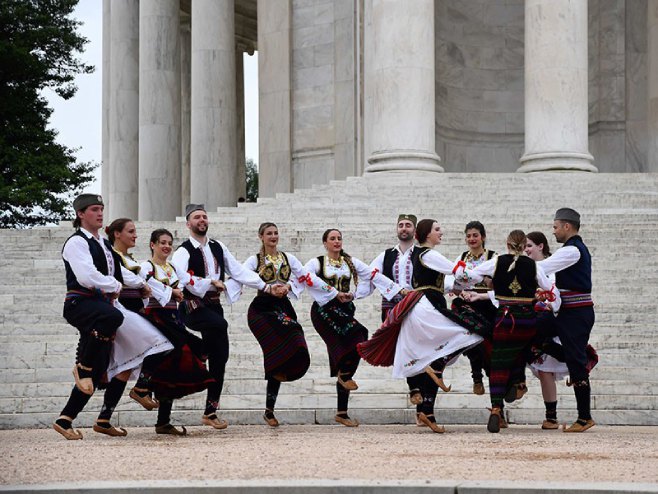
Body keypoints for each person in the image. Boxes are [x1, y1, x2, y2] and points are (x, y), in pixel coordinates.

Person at [54, 195, 172, 440]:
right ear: (80, 214)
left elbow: (119, 273)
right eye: (94, 209)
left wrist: (142, 284)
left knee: (157, 343)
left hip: (106, 309)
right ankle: (83, 368)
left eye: (102, 209)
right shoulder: (76, 243)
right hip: (82, 303)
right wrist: (113, 285)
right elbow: (87, 276)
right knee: (105, 337)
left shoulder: (105, 245)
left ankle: (68, 419)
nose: (100, 213)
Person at [359, 219, 490, 433]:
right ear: (427, 234)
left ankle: (427, 411)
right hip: (428, 308)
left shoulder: (420, 255)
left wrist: (464, 286)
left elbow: (452, 281)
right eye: (437, 229)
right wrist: (487, 275)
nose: (441, 233)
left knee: (432, 359)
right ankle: (437, 368)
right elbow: (458, 272)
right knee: (474, 331)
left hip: (422, 306)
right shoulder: (429, 254)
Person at [171, 204, 271, 430]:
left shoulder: (217, 246)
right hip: (192, 306)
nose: (202, 220)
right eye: (197, 217)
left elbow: (238, 271)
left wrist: (264, 286)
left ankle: (210, 411)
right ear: (188, 224)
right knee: (219, 324)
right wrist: (209, 283)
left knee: (221, 358)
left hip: (213, 306)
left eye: (204, 217)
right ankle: (199, 351)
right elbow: (181, 277)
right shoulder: (183, 250)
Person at [226, 222, 324, 427]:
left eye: (276, 233)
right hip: (262, 309)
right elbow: (241, 275)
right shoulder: (255, 260)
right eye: (269, 233)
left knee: (294, 335)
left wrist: (288, 286)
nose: (273, 236)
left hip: (283, 306)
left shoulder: (288, 258)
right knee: (282, 341)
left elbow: (303, 275)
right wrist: (227, 288)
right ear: (260, 236)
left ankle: (269, 408)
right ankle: (272, 393)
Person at [458, 230, 554, 433]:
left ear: (507, 243)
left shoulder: (496, 262)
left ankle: (495, 408)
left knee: (498, 363)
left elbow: (470, 276)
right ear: (522, 245)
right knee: (523, 348)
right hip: (527, 320)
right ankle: (518, 382)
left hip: (505, 319)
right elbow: (548, 288)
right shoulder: (533, 265)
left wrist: (470, 279)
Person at [305, 228, 402, 427]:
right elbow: (306, 276)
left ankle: (342, 411)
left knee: (348, 354)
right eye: (332, 239)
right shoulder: (317, 262)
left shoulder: (351, 262)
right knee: (360, 333)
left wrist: (397, 290)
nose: (336, 241)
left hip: (345, 310)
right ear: (325, 243)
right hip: (325, 310)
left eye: (339, 238)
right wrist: (332, 292)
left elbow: (373, 276)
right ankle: (345, 376)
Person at [140, 228, 215, 435]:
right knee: (175, 351)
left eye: (169, 243)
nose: (166, 246)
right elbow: (145, 282)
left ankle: (163, 421)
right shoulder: (147, 266)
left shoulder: (172, 267)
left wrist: (211, 283)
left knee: (176, 363)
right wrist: (170, 291)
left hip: (173, 318)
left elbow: (191, 281)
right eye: (162, 242)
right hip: (156, 316)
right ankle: (141, 386)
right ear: (152, 245)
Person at [536, 208, 597, 432]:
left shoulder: (572, 250)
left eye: (555, 227)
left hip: (577, 314)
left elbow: (543, 267)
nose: (553, 232)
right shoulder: (569, 249)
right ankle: (578, 359)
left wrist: (512, 268)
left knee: (575, 360)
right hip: (564, 312)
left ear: (567, 227)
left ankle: (584, 417)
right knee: (533, 331)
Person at [445, 221, 497, 396]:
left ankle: (497, 404)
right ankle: (476, 377)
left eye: (475, 235)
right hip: (468, 304)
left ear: (483, 236)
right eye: (468, 236)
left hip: (487, 304)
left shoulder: (493, 257)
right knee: (470, 340)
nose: (472, 239)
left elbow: (497, 283)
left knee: (489, 347)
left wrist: (484, 286)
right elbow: (454, 283)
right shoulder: (462, 258)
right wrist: (462, 293)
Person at [524, 231, 568, 430]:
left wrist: (550, 302)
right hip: (534, 323)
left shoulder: (553, 267)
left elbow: (558, 293)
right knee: (543, 371)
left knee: (547, 369)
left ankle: (551, 417)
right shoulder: (527, 269)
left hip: (553, 323)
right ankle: (550, 416)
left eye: (530, 245)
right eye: (524, 246)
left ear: (541, 246)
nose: (526, 249)